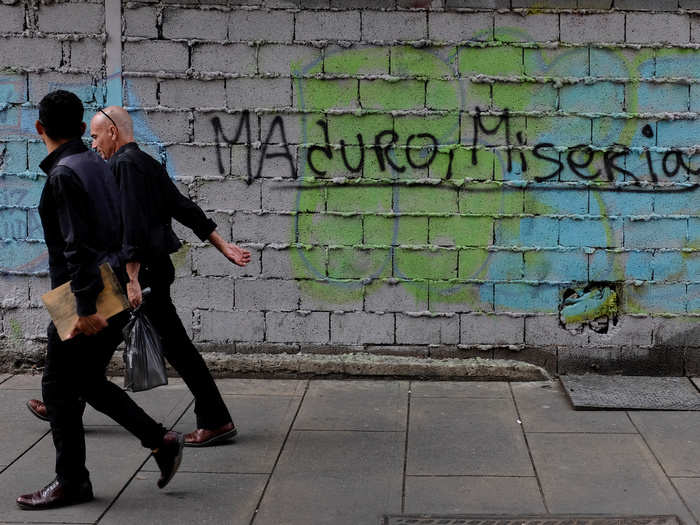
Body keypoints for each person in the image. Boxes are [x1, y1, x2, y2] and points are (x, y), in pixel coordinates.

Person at [26, 106, 252, 447]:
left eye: (97, 136)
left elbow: (130, 227)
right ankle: (66, 399)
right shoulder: (146, 162)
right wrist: (222, 244)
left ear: (113, 132)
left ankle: (214, 420)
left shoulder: (123, 166)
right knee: (107, 345)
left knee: (129, 343)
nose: (94, 144)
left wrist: (131, 280)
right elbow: (183, 206)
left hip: (138, 277)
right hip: (151, 273)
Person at [17, 91, 183, 510]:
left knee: (57, 388)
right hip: (112, 288)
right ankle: (160, 440)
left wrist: (84, 310)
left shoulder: (64, 175)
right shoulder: (95, 161)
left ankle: (72, 481)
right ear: (79, 126)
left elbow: (76, 247)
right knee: (86, 381)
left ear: (40, 129)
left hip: (84, 296)